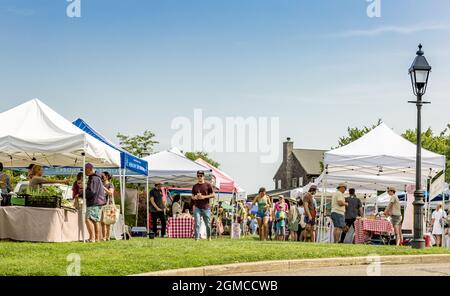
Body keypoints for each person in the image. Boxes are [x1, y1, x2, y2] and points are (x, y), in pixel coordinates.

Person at [84, 163, 106, 242]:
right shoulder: (97, 178)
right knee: (96, 220)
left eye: (85, 170)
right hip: (99, 202)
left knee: (88, 219)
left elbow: (92, 191)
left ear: (88, 169)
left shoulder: (93, 178)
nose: (84, 172)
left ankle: (92, 238)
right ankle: (97, 238)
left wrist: (82, 194)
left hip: (94, 202)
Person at [192, 170, 215, 241]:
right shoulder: (194, 186)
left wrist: (204, 197)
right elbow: (192, 196)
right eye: (198, 176)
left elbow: (213, 195)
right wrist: (195, 197)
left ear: (203, 176)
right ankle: (196, 238)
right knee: (197, 223)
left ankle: (209, 237)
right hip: (197, 207)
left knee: (207, 223)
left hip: (206, 207)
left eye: (201, 176)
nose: (199, 177)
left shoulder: (208, 185)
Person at [100, 172, 115, 241]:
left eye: (103, 175)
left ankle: (108, 237)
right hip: (101, 204)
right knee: (102, 221)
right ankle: (103, 237)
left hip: (108, 204)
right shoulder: (100, 184)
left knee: (108, 222)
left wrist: (103, 187)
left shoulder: (110, 184)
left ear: (107, 176)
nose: (101, 177)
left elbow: (110, 193)